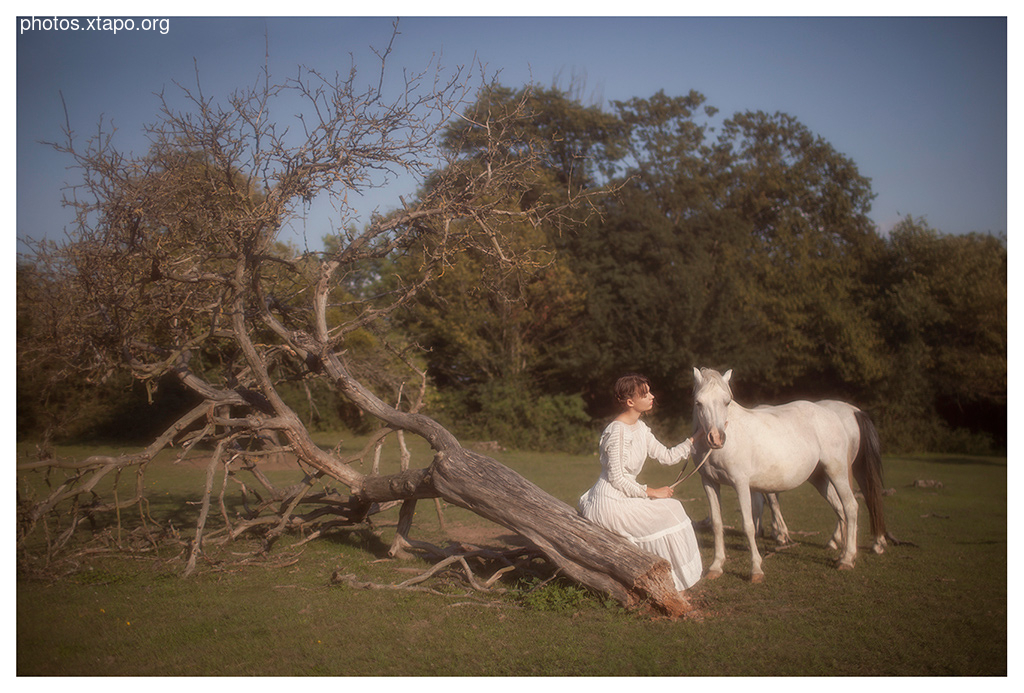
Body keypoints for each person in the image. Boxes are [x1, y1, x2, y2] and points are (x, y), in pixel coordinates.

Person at [578, 374, 703, 591]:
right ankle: (664, 582)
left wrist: (696, 438)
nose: (652, 396)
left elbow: (666, 456)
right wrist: (653, 492)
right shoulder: (616, 431)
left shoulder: (641, 428)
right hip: (609, 502)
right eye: (645, 394)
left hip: (625, 497)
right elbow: (617, 478)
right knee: (670, 509)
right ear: (630, 402)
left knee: (673, 507)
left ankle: (669, 581)